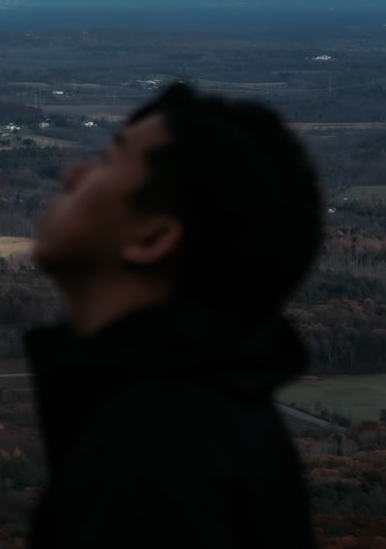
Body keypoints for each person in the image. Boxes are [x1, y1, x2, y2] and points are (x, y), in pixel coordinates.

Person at [26, 82, 321, 548]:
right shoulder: (226, 423)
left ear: (151, 238)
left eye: (107, 161)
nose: (71, 174)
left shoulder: (148, 461)